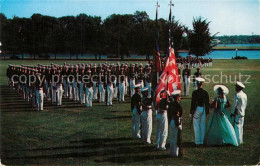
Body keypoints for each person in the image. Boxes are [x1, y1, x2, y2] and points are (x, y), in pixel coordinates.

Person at [190, 78, 209, 145]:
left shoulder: (194, 92)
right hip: (203, 109)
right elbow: (207, 103)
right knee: (202, 125)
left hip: (197, 109)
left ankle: (197, 141)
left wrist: (191, 111)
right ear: (202, 84)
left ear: (197, 84)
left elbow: (193, 102)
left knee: (196, 125)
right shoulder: (205, 92)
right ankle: (202, 141)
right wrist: (207, 112)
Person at [168, 90, 183, 157]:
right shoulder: (177, 104)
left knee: (172, 137)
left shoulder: (171, 104)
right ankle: (176, 153)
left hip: (171, 121)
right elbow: (177, 115)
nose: (180, 97)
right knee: (177, 138)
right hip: (176, 121)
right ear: (177, 97)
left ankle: (172, 152)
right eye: (179, 96)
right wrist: (178, 124)